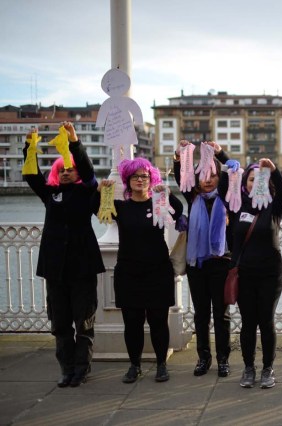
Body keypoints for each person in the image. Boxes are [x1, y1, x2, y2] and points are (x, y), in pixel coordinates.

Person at [22, 122, 105, 388]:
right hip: (55, 268)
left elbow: (90, 172)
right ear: (57, 174)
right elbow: (32, 175)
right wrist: (29, 147)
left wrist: (74, 142)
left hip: (82, 267)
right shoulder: (50, 194)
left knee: (84, 322)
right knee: (59, 323)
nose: (68, 172)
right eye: (63, 170)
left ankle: (82, 368)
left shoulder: (87, 192)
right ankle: (66, 368)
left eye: (72, 169)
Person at [96, 158, 183, 383]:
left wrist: (169, 193)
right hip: (129, 273)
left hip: (157, 271)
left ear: (150, 178)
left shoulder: (158, 202)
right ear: (127, 180)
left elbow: (178, 211)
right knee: (132, 322)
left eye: (144, 176)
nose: (140, 180)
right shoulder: (121, 207)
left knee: (158, 321)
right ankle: (134, 365)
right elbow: (98, 212)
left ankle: (162, 364)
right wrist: (100, 192)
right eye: (135, 176)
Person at [218, 158, 282, 389]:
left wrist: (273, 170)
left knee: (266, 322)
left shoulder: (274, 208)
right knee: (248, 323)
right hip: (244, 274)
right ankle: (249, 368)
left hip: (270, 274)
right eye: (251, 178)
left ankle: (268, 368)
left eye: (261, 178)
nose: (255, 182)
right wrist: (226, 164)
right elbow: (222, 187)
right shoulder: (236, 205)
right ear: (245, 182)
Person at [173, 141, 233, 377]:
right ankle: (203, 358)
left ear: (219, 178)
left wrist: (220, 154)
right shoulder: (192, 198)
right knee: (201, 314)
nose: (207, 180)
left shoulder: (229, 197)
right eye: (202, 177)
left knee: (221, 313)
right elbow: (181, 177)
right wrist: (180, 156)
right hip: (197, 264)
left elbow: (233, 171)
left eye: (212, 176)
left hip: (221, 262)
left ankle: (223, 359)